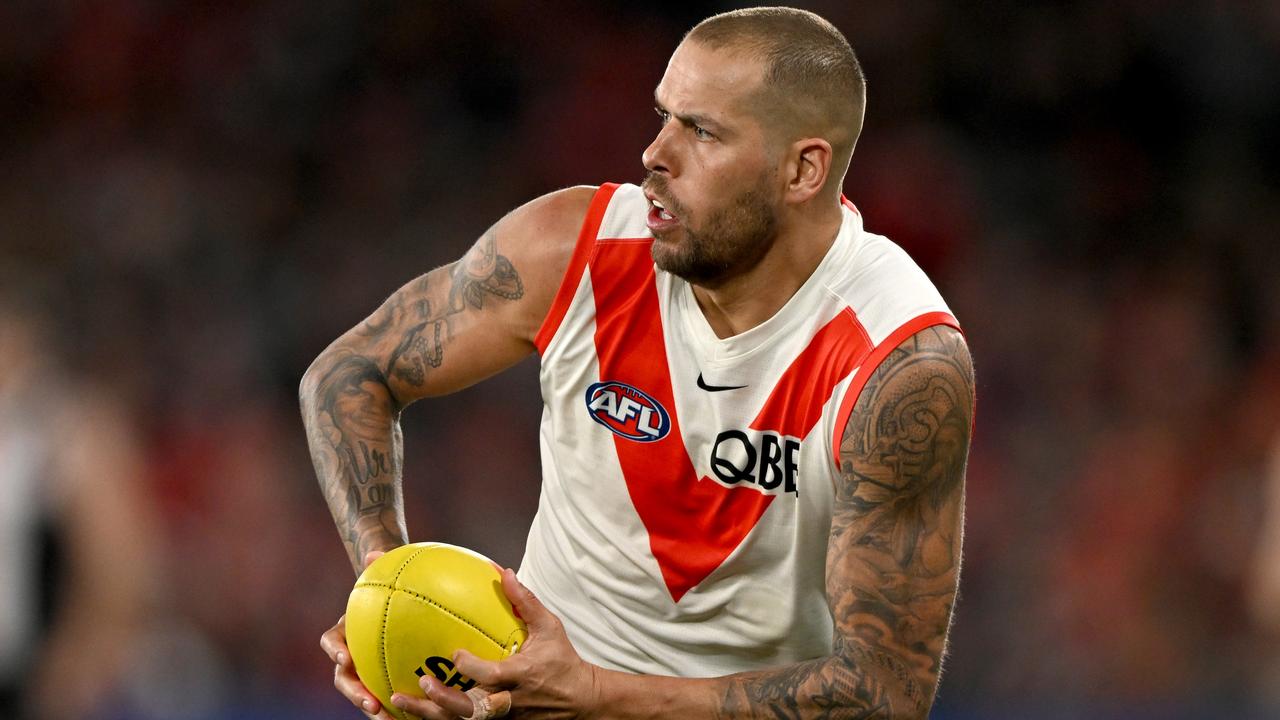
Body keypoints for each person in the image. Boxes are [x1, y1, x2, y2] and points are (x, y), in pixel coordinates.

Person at [302, 7, 974, 719]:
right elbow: (350, 375)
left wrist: (595, 696)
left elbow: (886, 694)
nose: (656, 153)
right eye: (664, 117)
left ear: (803, 169)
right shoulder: (573, 250)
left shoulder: (898, 362)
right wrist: (388, 593)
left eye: (703, 131)